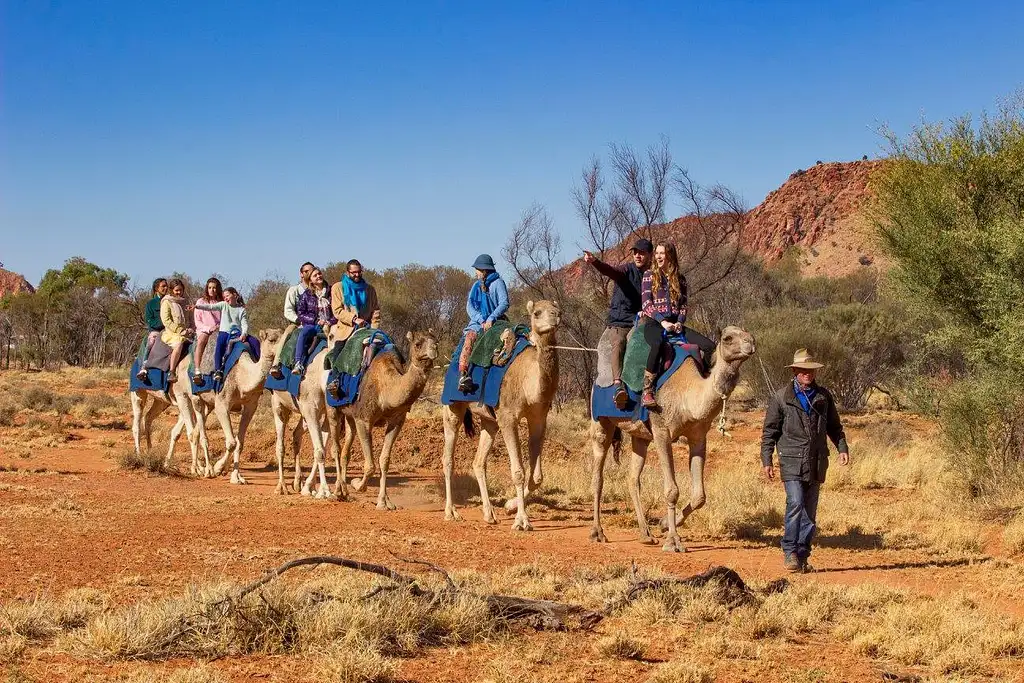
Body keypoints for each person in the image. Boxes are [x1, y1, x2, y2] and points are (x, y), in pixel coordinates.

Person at [760, 348, 850, 573]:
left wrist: (842, 447)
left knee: (810, 512)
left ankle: (802, 555)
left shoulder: (824, 396)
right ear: (795, 371)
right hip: (791, 459)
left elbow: (834, 427)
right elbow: (769, 432)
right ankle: (789, 551)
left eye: (810, 370)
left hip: (817, 460)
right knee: (795, 503)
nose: (807, 374)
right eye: (802, 370)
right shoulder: (781, 397)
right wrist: (767, 460)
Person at [583, 238, 652, 409]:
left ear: (649, 255)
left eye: (642, 252)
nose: (637, 255)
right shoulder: (626, 270)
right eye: (635, 252)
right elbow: (612, 271)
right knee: (619, 343)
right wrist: (595, 262)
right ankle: (617, 385)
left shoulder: (652, 276)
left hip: (641, 320)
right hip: (620, 321)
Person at [637, 243, 687, 409]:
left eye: (662, 253)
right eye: (657, 253)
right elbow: (646, 304)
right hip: (653, 323)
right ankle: (647, 391)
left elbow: (684, 305)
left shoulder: (680, 279)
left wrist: (680, 321)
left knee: (707, 346)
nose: (658, 256)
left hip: (675, 324)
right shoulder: (649, 276)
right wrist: (662, 321)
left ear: (670, 256)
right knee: (657, 344)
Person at [326, 259, 381, 399]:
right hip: (346, 329)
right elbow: (337, 310)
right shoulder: (338, 287)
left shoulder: (370, 289)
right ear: (347, 272)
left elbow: (375, 312)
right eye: (353, 273)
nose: (357, 275)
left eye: (359, 272)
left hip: (367, 329)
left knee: (384, 349)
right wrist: (354, 319)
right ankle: (335, 381)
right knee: (338, 353)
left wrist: (374, 329)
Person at [458, 254, 509, 393]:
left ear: (484, 270)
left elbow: (504, 303)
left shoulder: (498, 283)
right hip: (477, 322)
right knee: (470, 339)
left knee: (512, 337)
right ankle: (463, 376)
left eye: (477, 270)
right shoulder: (476, 286)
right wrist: (481, 320)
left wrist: (491, 318)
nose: (476, 272)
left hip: (497, 320)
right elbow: (470, 306)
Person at [191, 287, 248, 383]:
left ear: (234, 295)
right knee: (219, 347)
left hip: (236, 333)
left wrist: (244, 334)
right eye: (224, 296)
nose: (225, 298)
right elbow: (210, 307)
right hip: (224, 332)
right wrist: (197, 306)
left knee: (253, 342)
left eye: (227, 295)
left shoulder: (241, 310)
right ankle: (218, 370)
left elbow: (244, 324)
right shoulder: (223, 305)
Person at [269, 262, 315, 380]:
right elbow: (288, 311)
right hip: (297, 323)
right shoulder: (294, 290)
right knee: (287, 334)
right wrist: (299, 321)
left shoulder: (317, 289)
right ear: (301, 274)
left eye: (311, 270)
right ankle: (277, 364)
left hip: (316, 323)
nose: (309, 273)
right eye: (306, 271)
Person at [292, 267, 335, 375]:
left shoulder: (332, 291)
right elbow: (301, 313)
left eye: (319, 274)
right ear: (310, 280)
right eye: (315, 275)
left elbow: (338, 310)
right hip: (314, 325)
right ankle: (298, 363)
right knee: (303, 333)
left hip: (331, 324)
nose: (318, 276)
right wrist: (316, 320)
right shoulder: (307, 295)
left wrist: (330, 321)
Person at [160, 279, 194, 384]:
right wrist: (180, 330)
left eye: (180, 290)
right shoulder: (167, 302)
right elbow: (166, 320)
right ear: (172, 290)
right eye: (176, 290)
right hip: (172, 333)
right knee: (179, 344)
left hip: (188, 332)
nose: (179, 292)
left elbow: (191, 318)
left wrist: (192, 328)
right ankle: (172, 371)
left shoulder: (186, 302)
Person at [192, 277, 224, 383]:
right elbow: (198, 321)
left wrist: (218, 326)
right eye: (210, 287)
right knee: (201, 341)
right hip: (203, 329)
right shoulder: (200, 302)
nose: (212, 290)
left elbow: (224, 318)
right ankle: (197, 369)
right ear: (207, 288)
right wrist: (208, 328)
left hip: (218, 329)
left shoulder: (221, 302)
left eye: (214, 288)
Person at [136, 278, 169, 381]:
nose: (166, 288)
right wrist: (163, 324)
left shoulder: (170, 300)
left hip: (171, 330)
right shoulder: (151, 303)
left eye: (166, 286)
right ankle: (144, 367)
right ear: (156, 288)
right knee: (151, 341)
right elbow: (149, 320)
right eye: (163, 286)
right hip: (157, 331)